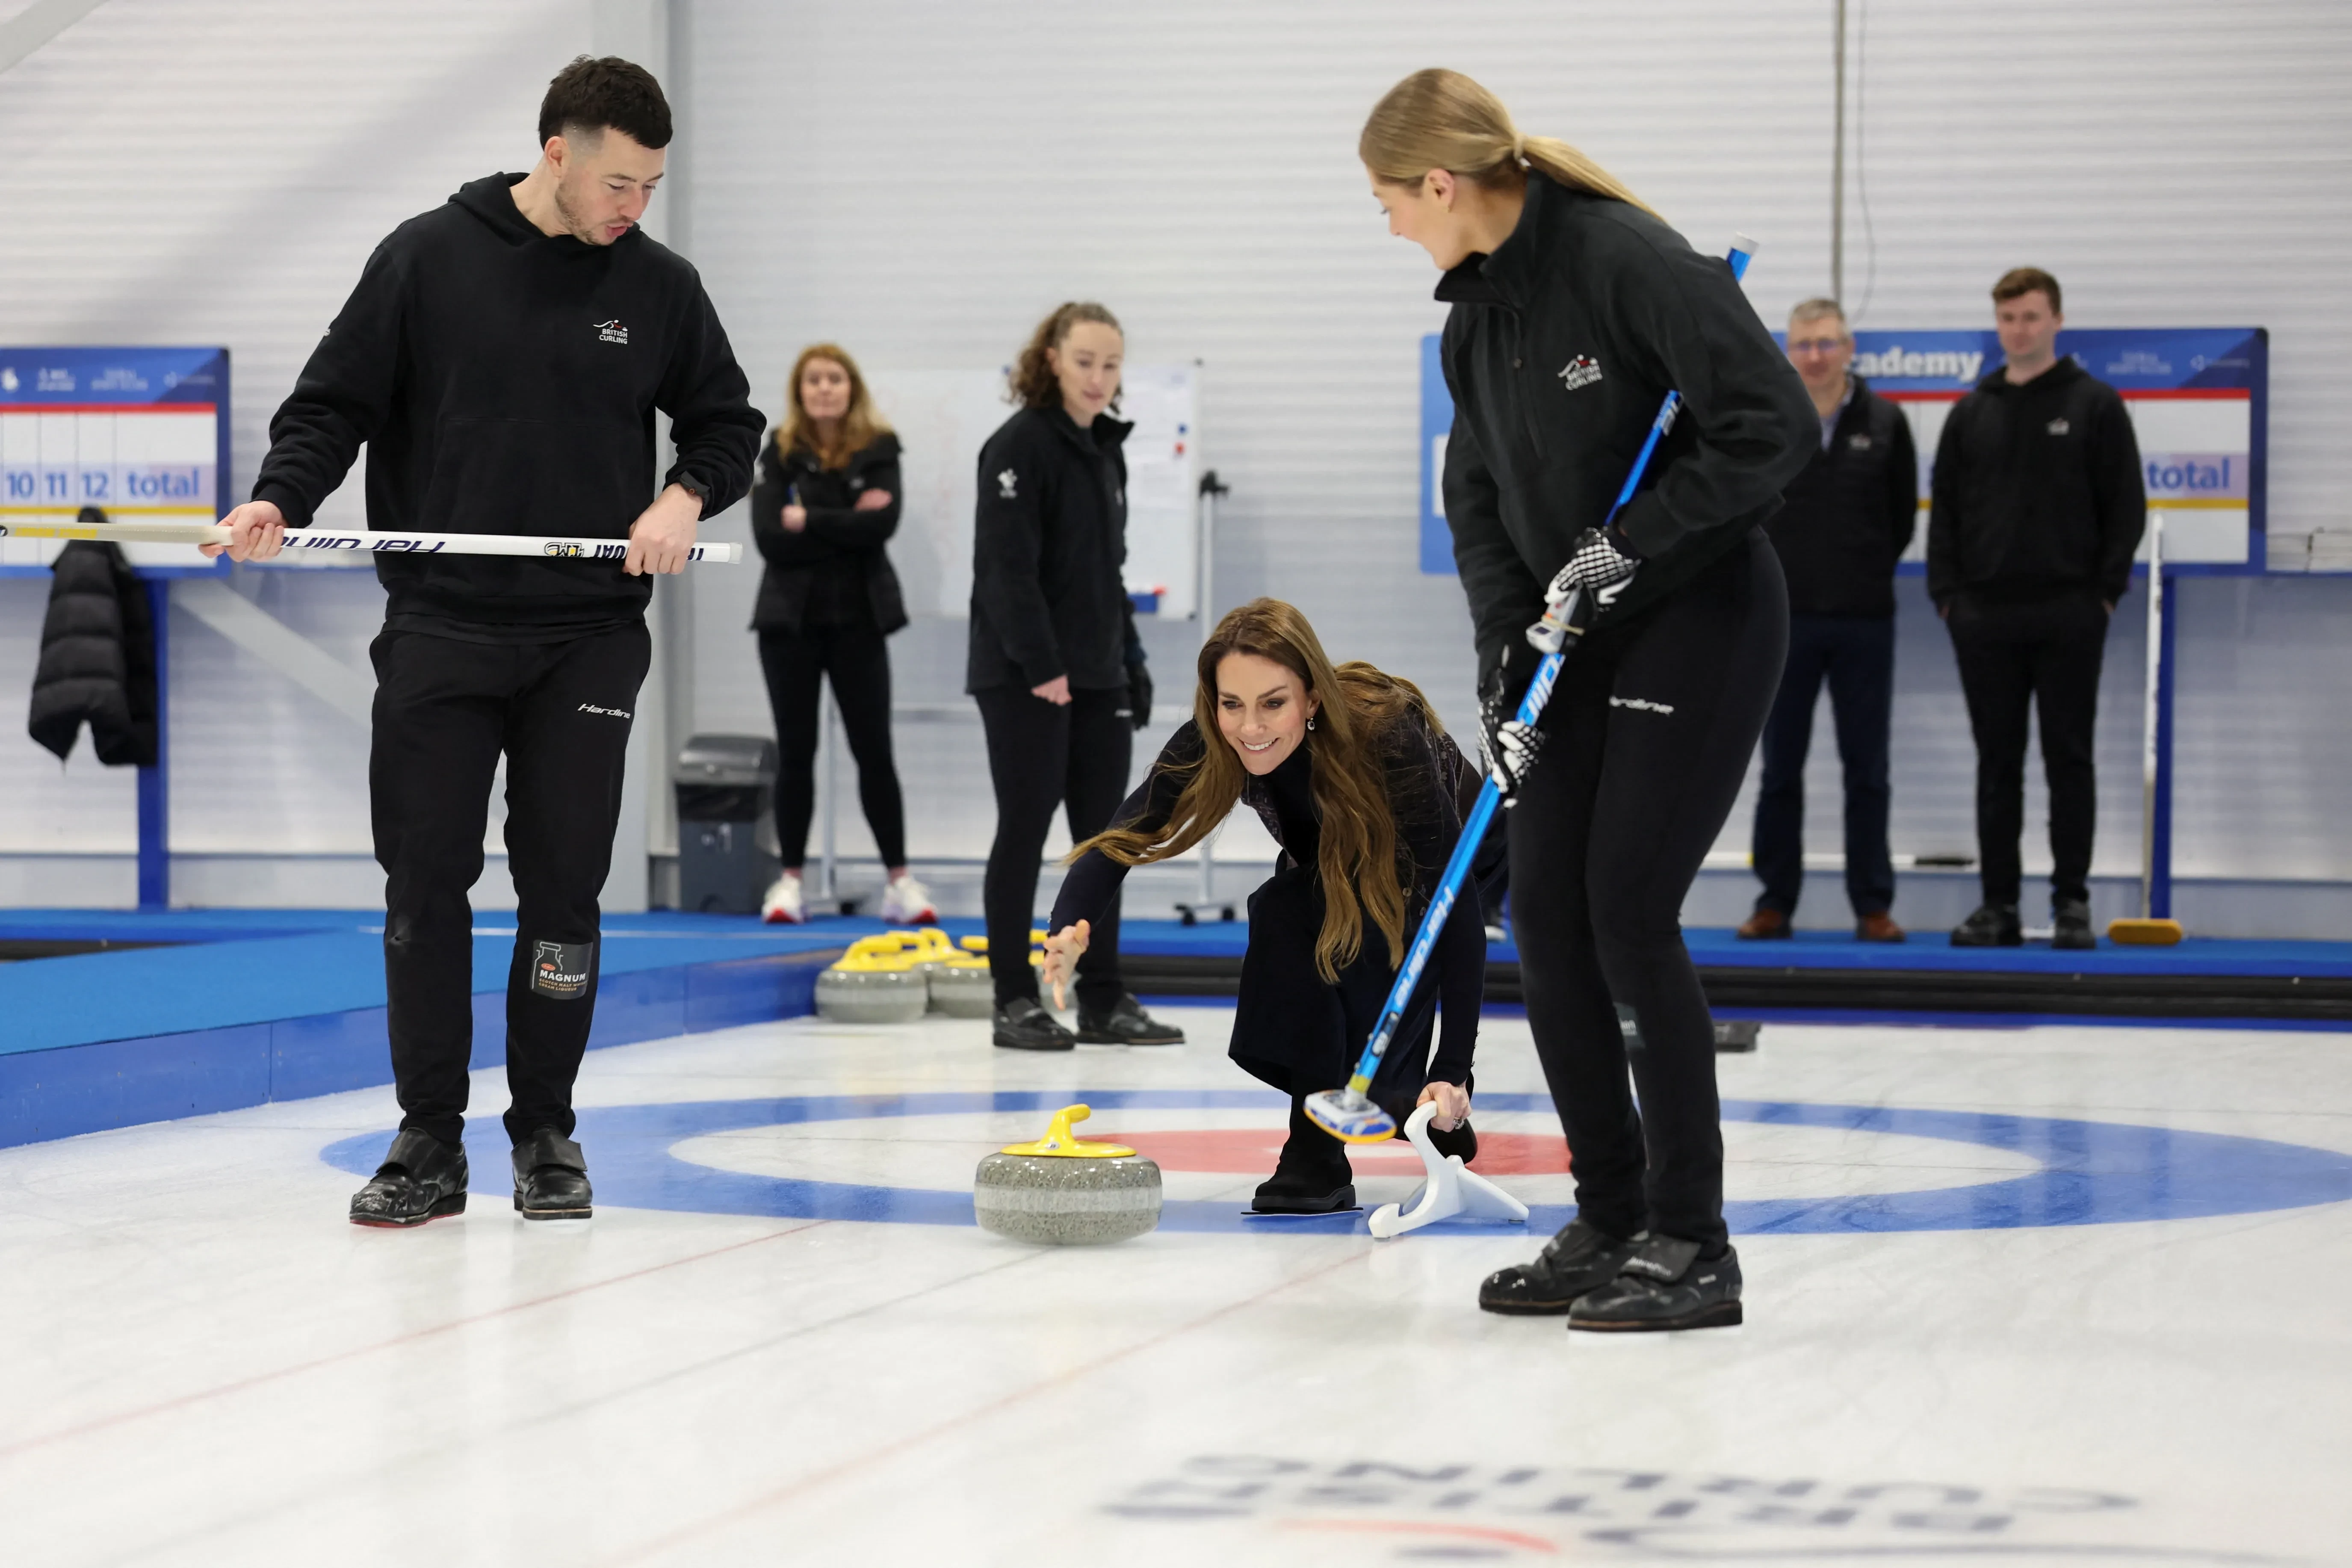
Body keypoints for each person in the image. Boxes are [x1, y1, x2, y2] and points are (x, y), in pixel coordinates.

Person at [208, 57, 762, 1226]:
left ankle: (546, 1129)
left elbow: (727, 425)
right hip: (442, 627)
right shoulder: (424, 259)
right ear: (556, 154)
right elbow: (332, 407)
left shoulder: (658, 286)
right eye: (617, 183)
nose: (633, 207)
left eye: (651, 187)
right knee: (425, 887)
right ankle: (428, 1135)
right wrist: (279, 498)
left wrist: (682, 498)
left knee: (564, 891)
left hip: (588, 637)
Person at [1363, 69, 1812, 1330]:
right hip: (1575, 639)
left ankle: (1692, 1241)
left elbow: (1771, 426)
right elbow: (1477, 501)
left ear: (1439, 184)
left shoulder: (1626, 260)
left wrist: (1635, 542)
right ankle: (1609, 1218)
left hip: (1699, 614)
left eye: (1388, 199)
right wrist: (1503, 653)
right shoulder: (1473, 321)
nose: (1387, 223)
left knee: (1624, 907)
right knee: (1546, 915)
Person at [1040, 599, 1486, 1213]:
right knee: (1287, 912)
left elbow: (1453, 909)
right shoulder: (1214, 736)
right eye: (1232, 704)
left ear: (1312, 699)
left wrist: (1454, 1066)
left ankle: (1415, 1109)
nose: (1250, 727)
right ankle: (1324, 1150)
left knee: (1353, 937)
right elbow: (1126, 832)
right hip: (1338, 862)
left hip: (1458, 859)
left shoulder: (1385, 735)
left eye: (1273, 703)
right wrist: (1067, 927)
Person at [967, 301, 1180, 1052]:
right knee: (1024, 831)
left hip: (1096, 675)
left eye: (1111, 364)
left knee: (1108, 842)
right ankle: (1013, 996)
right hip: (1025, 676)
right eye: (1085, 361)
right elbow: (1006, 570)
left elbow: (1106, 573)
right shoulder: (1018, 446)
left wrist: (1131, 660)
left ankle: (1103, 997)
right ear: (1052, 358)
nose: (1098, 377)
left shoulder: (1104, 449)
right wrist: (1043, 666)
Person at [1928, 268, 2144, 951]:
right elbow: (1945, 513)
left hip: (2070, 613)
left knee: (2068, 759)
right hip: (1984, 617)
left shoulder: (2095, 404)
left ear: (2056, 320)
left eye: (2030, 316)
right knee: (1998, 764)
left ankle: (2072, 902)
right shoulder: (1972, 412)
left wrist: (2103, 593)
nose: (2018, 329)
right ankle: (1999, 906)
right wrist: (1949, 598)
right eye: (2008, 318)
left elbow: (2126, 506)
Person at [1738, 298, 1917, 944]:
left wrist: (1860, 574)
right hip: (1783, 624)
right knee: (1779, 770)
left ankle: (1872, 904)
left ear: (1849, 349)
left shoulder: (1887, 422)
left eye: (1827, 343)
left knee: (1867, 770)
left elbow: (1901, 520)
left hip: (1865, 621)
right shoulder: (1770, 422)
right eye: (1804, 345)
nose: (1815, 356)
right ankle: (1773, 902)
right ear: (1789, 352)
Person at [747, 344, 934, 926]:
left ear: (851, 387)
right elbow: (770, 537)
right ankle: (790, 883)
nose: (825, 388)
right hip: (789, 623)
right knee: (796, 752)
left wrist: (809, 518)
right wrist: (850, 518)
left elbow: (883, 524)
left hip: (859, 619)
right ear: (799, 391)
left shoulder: (880, 447)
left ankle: (899, 882)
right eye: (814, 380)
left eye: (835, 378)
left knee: (874, 751)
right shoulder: (779, 450)